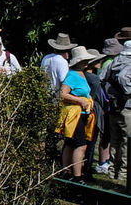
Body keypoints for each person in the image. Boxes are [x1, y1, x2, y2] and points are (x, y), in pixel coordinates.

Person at [56, 46, 98, 178]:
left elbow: (83, 91)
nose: (87, 63)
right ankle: (77, 175)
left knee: (70, 144)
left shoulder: (81, 74)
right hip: (74, 114)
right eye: (84, 60)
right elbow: (63, 94)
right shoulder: (73, 75)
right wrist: (80, 101)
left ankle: (66, 172)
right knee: (81, 145)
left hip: (82, 114)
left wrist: (88, 98)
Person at [97, 37, 131, 180]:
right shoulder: (129, 63)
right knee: (127, 141)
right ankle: (123, 173)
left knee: (115, 140)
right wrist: (128, 92)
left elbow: (102, 79)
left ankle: (113, 170)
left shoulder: (114, 62)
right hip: (127, 107)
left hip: (113, 106)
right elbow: (124, 78)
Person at [42, 32, 77, 98]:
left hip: (45, 95)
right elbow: (63, 81)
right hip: (56, 97)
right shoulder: (62, 61)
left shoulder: (46, 58)